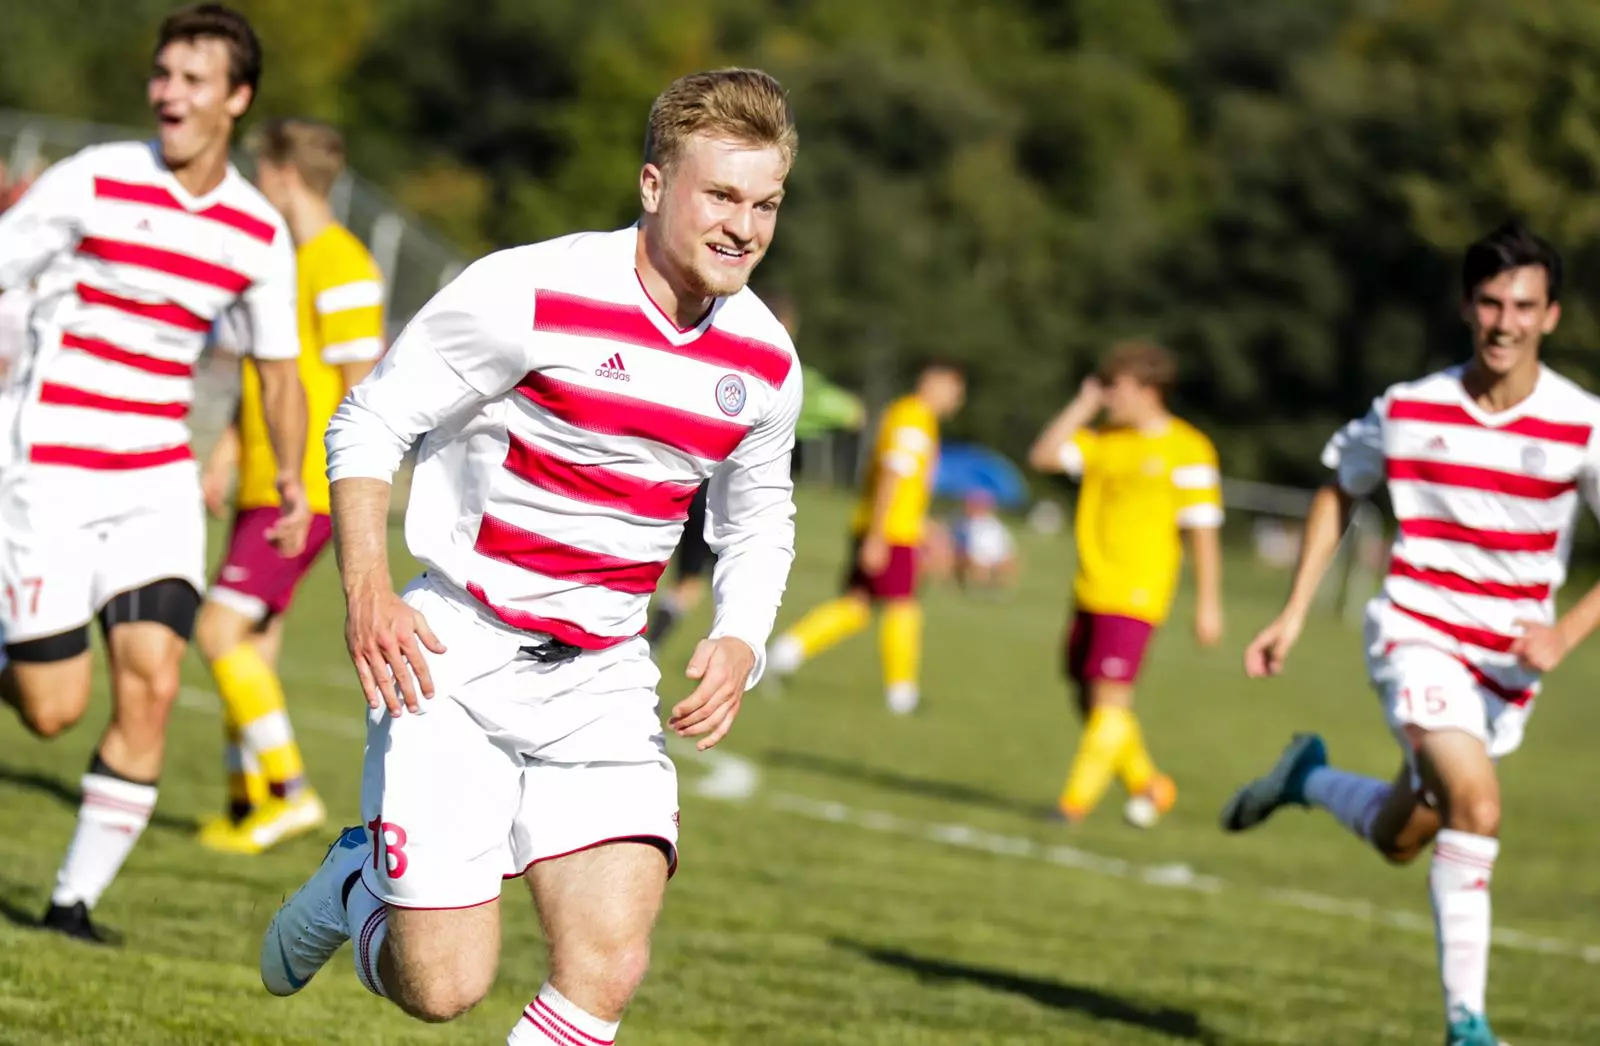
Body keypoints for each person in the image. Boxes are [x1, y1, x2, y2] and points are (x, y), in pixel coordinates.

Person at [259, 69, 801, 1046]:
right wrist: (368, 588)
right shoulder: (529, 290)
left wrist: (741, 636)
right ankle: (355, 885)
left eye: (764, 204)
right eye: (721, 195)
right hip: (452, 655)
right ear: (652, 184)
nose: (744, 227)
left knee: (609, 966)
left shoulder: (764, 359)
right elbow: (368, 422)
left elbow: (760, 516)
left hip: (605, 676)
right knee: (443, 985)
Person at [1220, 220, 1600, 1046]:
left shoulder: (1583, 422)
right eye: (1490, 303)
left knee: (1406, 837)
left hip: (1507, 670)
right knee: (1478, 805)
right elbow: (1339, 487)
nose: (1504, 323)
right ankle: (1468, 1027)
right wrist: (1293, 610)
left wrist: (1564, 635)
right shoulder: (1409, 408)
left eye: (1523, 306)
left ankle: (1305, 778)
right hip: (1416, 633)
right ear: (1467, 306)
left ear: (1551, 316)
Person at [0, 2, 308, 943]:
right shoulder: (92, 179)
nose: (168, 93)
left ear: (237, 99)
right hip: (45, 470)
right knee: (52, 710)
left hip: (154, 481)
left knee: (155, 681)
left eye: (192, 79)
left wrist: (292, 478)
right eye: (162, 74)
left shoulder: (257, 231)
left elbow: (279, 370)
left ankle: (71, 905)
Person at [193, 118, 386, 854]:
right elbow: (273, 376)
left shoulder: (342, 263)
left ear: (281, 175)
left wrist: (340, 491)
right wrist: (225, 453)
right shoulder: (286, 257)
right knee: (253, 648)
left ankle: (289, 791)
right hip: (264, 480)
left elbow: (365, 392)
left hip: (302, 488)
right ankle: (247, 804)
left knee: (217, 632)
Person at [1028, 341, 1223, 828]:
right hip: (1090, 587)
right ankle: (1148, 785)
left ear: (1149, 390)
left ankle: (1072, 805)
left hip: (1138, 593)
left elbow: (1202, 532)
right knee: (1086, 697)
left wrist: (1208, 603)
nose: (1107, 396)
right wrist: (1083, 404)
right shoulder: (1104, 439)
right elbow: (1044, 456)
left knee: (1111, 699)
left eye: (1115, 387)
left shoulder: (1189, 448)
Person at [646, 293, 861, 653]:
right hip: (732, 491)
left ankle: (640, 637)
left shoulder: (710, 349)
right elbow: (845, 408)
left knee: (666, 566)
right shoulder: (783, 370)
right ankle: (663, 644)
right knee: (710, 575)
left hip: (685, 476)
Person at [766, 360, 966, 715]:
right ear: (932, 382)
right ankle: (902, 695)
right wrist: (878, 536)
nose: (957, 399)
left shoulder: (915, 417)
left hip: (890, 527)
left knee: (856, 606)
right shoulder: (913, 418)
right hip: (891, 532)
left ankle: (782, 655)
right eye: (954, 389)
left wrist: (925, 527)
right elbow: (892, 475)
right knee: (903, 607)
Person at [949, 490, 1016, 590]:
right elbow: (963, 545)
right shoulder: (963, 524)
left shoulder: (994, 524)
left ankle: (998, 588)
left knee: (1008, 564)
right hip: (975, 556)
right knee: (979, 567)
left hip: (994, 555)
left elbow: (1006, 544)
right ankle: (977, 587)